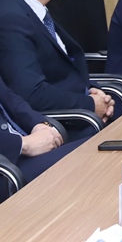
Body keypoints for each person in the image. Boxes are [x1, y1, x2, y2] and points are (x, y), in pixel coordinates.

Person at [0, 0, 114, 126]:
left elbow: (66, 69)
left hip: (80, 110)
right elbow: (32, 94)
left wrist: (97, 93)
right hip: (59, 125)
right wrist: (89, 105)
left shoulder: (38, 5)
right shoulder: (10, 19)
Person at [0, 74, 84, 202]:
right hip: (7, 169)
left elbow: (8, 96)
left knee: (97, 149)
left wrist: (38, 124)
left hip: (24, 145)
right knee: (91, 154)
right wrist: (23, 144)